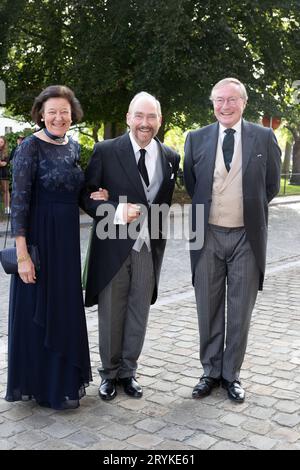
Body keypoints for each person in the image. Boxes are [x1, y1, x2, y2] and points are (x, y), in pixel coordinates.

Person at [5, 85, 105, 410]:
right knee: (39, 309)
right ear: (41, 114)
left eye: (64, 111)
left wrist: (99, 199)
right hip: (38, 241)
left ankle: (61, 381)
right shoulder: (29, 148)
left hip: (65, 242)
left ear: (72, 114)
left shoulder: (73, 147)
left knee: (62, 306)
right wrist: (22, 256)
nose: (59, 117)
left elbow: (77, 194)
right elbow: (18, 204)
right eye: (52, 112)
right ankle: (40, 385)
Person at [184, 77, 281, 403]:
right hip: (207, 234)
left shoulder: (264, 137)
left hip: (246, 238)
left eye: (231, 100)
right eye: (218, 100)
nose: (224, 106)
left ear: (243, 103)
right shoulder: (195, 138)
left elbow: (270, 186)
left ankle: (231, 375)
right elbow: (192, 181)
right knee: (207, 308)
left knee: (240, 310)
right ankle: (209, 373)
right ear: (212, 104)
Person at [81, 91, 180, 401]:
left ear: (160, 121)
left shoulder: (170, 157)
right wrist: (112, 209)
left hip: (148, 248)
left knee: (139, 311)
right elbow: (85, 196)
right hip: (113, 244)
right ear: (128, 118)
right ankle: (109, 375)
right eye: (139, 115)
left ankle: (128, 372)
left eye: (151, 117)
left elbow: (161, 204)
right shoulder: (106, 151)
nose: (145, 123)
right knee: (111, 312)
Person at [0, 135, 10, 214]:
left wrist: (2, 163)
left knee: (6, 191)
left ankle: (7, 208)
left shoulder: (6, 152)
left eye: (1, 142)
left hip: (4, 174)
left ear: (4, 143)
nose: (0, 143)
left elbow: (4, 164)